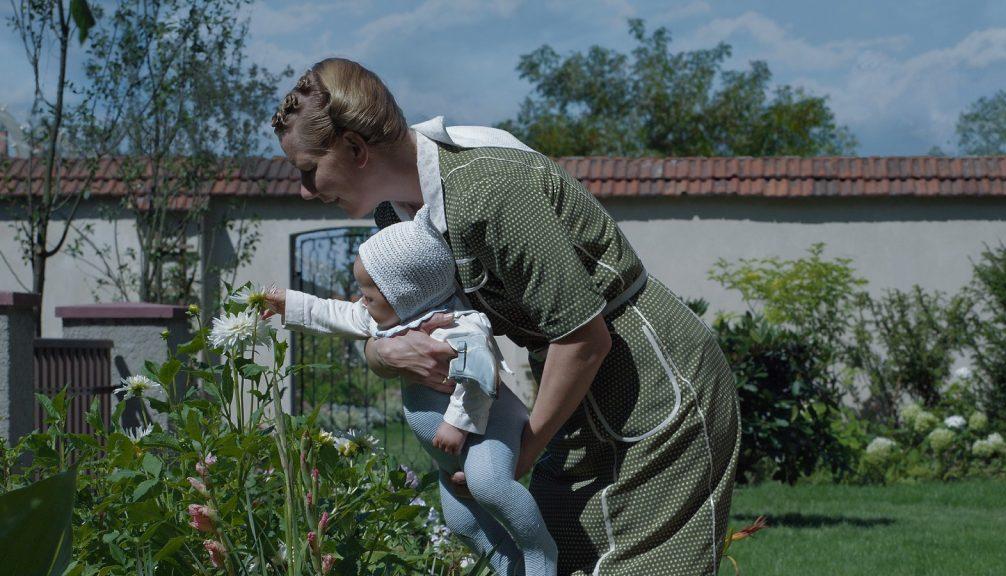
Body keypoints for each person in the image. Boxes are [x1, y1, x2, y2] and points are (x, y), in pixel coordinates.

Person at [271, 57, 741, 575]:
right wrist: (385, 353)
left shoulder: (489, 192)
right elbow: (382, 323)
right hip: (573, 393)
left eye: (308, 170)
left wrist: (520, 455)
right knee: (564, 558)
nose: (305, 190)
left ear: (356, 149)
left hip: (650, 383)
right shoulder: (394, 217)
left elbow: (585, 339)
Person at [267, 209, 557, 576]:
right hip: (450, 453)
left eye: (369, 294)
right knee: (461, 522)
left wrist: (457, 423)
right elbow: (335, 314)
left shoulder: (460, 325)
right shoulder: (391, 318)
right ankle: (509, 565)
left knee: (488, 484)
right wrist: (287, 304)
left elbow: (481, 375)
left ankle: (539, 552)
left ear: (405, 294)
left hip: (486, 428)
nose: (361, 300)